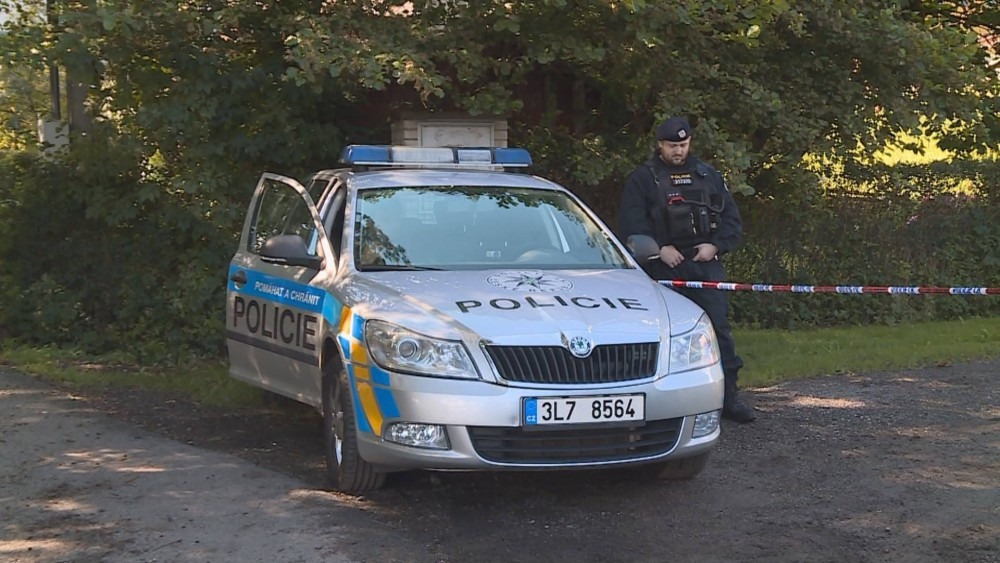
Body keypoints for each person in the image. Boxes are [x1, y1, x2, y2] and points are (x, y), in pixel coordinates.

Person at [619, 116, 756, 422]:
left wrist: (715, 247)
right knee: (662, 334)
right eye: (672, 145)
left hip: (704, 265)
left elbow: (731, 221)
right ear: (660, 145)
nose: (678, 150)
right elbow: (630, 225)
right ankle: (658, 403)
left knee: (717, 330)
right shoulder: (643, 179)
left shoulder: (707, 175)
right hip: (663, 268)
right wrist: (659, 249)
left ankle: (728, 398)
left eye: (683, 144)